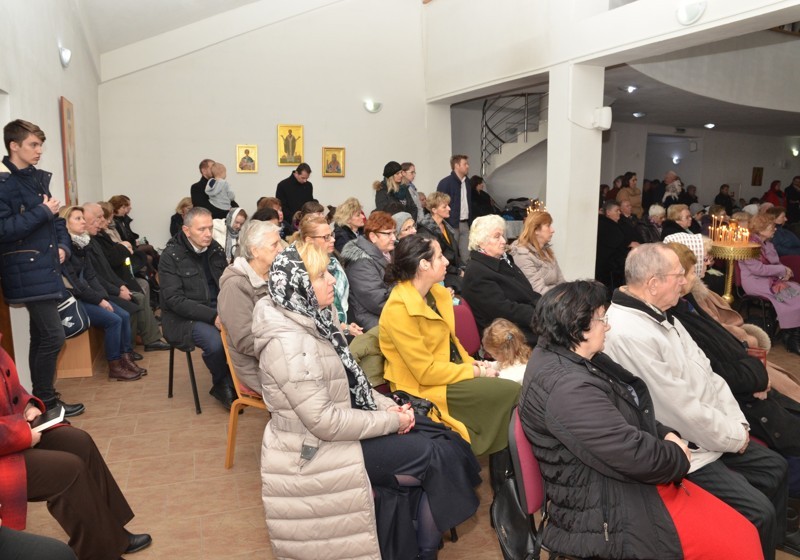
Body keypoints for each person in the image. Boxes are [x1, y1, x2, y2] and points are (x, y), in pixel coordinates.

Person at [253, 241, 481, 560]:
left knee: (444, 438)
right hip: (316, 450)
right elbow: (325, 422)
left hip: (343, 430)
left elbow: (353, 383)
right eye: (321, 276)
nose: (332, 280)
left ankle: (419, 544)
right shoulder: (289, 345)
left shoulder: (316, 319)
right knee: (435, 456)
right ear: (299, 285)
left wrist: (389, 407)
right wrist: (392, 420)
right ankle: (424, 550)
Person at [519, 280, 763, 560]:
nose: (607, 326)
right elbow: (633, 456)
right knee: (742, 543)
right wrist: (678, 456)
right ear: (578, 328)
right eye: (602, 319)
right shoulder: (568, 387)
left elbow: (627, 410)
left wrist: (665, 432)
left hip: (615, 484)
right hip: (606, 510)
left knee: (744, 531)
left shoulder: (571, 358)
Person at [604, 243, 792, 560]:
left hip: (710, 431)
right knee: (758, 512)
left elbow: (708, 373)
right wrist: (733, 437)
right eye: (678, 275)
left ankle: (765, 543)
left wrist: (736, 424)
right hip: (684, 448)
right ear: (653, 283)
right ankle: (753, 540)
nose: (684, 281)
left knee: (775, 467)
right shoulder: (627, 332)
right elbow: (678, 410)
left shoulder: (663, 314)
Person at [666, 242, 800, 497]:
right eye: (695, 266)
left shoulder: (688, 300)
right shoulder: (677, 314)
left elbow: (724, 340)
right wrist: (756, 377)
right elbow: (712, 370)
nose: (706, 266)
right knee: (788, 434)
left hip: (746, 373)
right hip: (738, 394)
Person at [0, 341, 152, 560]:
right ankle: (102, 554)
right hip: (6, 449)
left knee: (79, 442)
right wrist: (22, 435)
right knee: (68, 471)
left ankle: (113, 535)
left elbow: (11, 388)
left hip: (11, 434)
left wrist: (27, 406)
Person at [380, 234, 521, 455]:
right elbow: (425, 373)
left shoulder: (436, 294)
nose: (447, 261)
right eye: (439, 257)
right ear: (424, 265)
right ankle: (505, 461)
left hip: (447, 373)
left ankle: (504, 461)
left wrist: (475, 364)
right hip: (423, 386)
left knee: (513, 391)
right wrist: (476, 371)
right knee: (511, 392)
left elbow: (451, 343)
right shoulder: (399, 310)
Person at [0, 119, 83, 416]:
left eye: (40, 145)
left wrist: (63, 247)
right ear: (14, 145)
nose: (39, 151)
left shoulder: (35, 179)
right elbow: (4, 229)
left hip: (45, 268)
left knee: (41, 337)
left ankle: (42, 401)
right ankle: (47, 401)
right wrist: (42, 212)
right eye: (33, 145)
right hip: (27, 270)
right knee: (53, 336)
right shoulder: (5, 184)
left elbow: (57, 220)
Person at [159, 207, 235, 409]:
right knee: (215, 343)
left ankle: (240, 380)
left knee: (247, 331)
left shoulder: (215, 249)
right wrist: (213, 316)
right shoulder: (170, 256)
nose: (208, 234)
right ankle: (222, 383)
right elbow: (174, 300)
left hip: (216, 309)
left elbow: (226, 284)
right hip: (183, 318)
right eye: (202, 229)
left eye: (210, 228)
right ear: (186, 230)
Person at [60, 206, 145, 381]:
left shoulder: (82, 244)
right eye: (77, 219)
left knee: (123, 315)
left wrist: (103, 298)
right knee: (114, 320)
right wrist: (100, 300)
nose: (83, 222)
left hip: (90, 295)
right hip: (74, 300)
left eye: (83, 218)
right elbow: (76, 285)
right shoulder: (64, 250)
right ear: (65, 223)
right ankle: (115, 366)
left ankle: (126, 358)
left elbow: (91, 276)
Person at [83, 203, 168, 353]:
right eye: (98, 217)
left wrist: (120, 286)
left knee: (139, 291)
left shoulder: (97, 237)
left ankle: (143, 342)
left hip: (113, 282)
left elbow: (106, 270)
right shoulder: (88, 242)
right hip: (101, 290)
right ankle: (129, 350)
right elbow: (99, 273)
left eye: (103, 216)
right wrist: (118, 289)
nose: (104, 220)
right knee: (135, 299)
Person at [218, 220, 283, 393]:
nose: (281, 249)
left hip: (280, 357)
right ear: (255, 251)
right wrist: (288, 344)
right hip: (257, 367)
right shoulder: (234, 286)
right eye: (274, 244)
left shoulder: (276, 275)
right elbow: (245, 341)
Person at [462, 215, 541, 346]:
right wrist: (541, 315)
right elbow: (503, 311)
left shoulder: (503, 260)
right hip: (507, 337)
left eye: (503, 235)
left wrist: (547, 306)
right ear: (481, 242)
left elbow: (527, 293)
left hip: (524, 323)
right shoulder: (477, 272)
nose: (504, 241)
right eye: (497, 236)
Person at [739, 212, 800, 355]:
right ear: (760, 229)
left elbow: (775, 264)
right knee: (792, 299)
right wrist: (781, 270)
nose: (775, 229)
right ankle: (792, 338)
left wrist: (784, 273)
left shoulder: (768, 244)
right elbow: (757, 269)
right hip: (755, 282)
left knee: (797, 292)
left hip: (770, 279)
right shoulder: (748, 245)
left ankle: (791, 334)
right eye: (771, 227)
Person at [299, 215, 361, 335]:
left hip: (347, 315)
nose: (333, 240)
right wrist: (345, 328)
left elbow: (344, 296)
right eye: (326, 237)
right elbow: (318, 314)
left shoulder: (332, 258)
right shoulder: (304, 270)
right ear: (309, 240)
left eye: (331, 235)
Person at [340, 212, 395, 331]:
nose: (394, 238)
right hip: (374, 321)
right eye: (388, 234)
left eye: (394, 233)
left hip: (390, 312)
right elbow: (378, 301)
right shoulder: (360, 263)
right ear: (373, 237)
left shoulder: (387, 252)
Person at [416, 192, 464, 292]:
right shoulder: (425, 231)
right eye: (444, 207)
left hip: (452, 270)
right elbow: (434, 260)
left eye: (448, 205)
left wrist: (463, 268)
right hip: (441, 275)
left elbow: (455, 254)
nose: (449, 208)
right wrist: (459, 272)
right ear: (434, 210)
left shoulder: (446, 226)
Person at [508, 210, 564, 295]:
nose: (552, 230)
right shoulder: (522, 255)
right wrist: (562, 299)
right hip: (543, 300)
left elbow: (561, 281)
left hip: (554, 296)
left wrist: (568, 295)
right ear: (536, 230)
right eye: (548, 226)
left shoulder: (547, 250)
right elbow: (537, 289)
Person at [436, 155, 473, 261]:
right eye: (465, 164)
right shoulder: (445, 183)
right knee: (451, 253)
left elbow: (468, 203)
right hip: (451, 224)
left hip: (465, 223)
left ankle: (465, 270)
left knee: (467, 254)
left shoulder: (467, 182)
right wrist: (447, 221)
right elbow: (439, 204)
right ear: (457, 165)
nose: (468, 166)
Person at [595, 200, 632, 291]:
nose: (619, 213)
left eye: (619, 210)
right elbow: (617, 243)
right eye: (616, 210)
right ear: (608, 212)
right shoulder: (605, 225)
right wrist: (629, 245)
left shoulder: (616, 224)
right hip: (609, 268)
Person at [480, 318, 531, 384]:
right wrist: (487, 364)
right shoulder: (517, 356)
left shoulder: (512, 374)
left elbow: (501, 384)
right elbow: (498, 364)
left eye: (494, 355)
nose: (492, 357)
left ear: (505, 352)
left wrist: (491, 375)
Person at [275, 163, 313, 230]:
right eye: (303, 178)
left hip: (306, 223)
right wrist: (295, 220)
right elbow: (281, 207)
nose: (305, 181)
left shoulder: (308, 185)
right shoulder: (283, 185)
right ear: (296, 173)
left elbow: (309, 203)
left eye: (307, 178)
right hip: (289, 223)